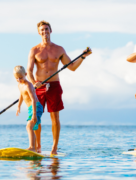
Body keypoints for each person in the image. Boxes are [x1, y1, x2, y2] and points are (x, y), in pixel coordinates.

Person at [27, 20, 92, 155]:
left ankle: (54, 148)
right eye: (42, 30)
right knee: (36, 117)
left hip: (54, 86)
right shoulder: (34, 50)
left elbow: (72, 67)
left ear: (51, 31)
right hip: (39, 86)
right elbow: (29, 70)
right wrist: (33, 83)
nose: (45, 32)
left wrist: (83, 57)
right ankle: (38, 146)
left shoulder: (59, 49)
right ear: (39, 33)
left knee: (55, 118)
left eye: (47, 29)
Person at [14, 66, 43, 152]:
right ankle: (37, 147)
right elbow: (21, 95)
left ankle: (32, 147)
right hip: (30, 108)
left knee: (29, 126)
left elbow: (33, 99)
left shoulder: (29, 85)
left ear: (25, 74)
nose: (19, 80)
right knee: (33, 127)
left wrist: (34, 114)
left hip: (36, 107)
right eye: (17, 78)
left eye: (21, 77)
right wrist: (18, 106)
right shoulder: (20, 85)